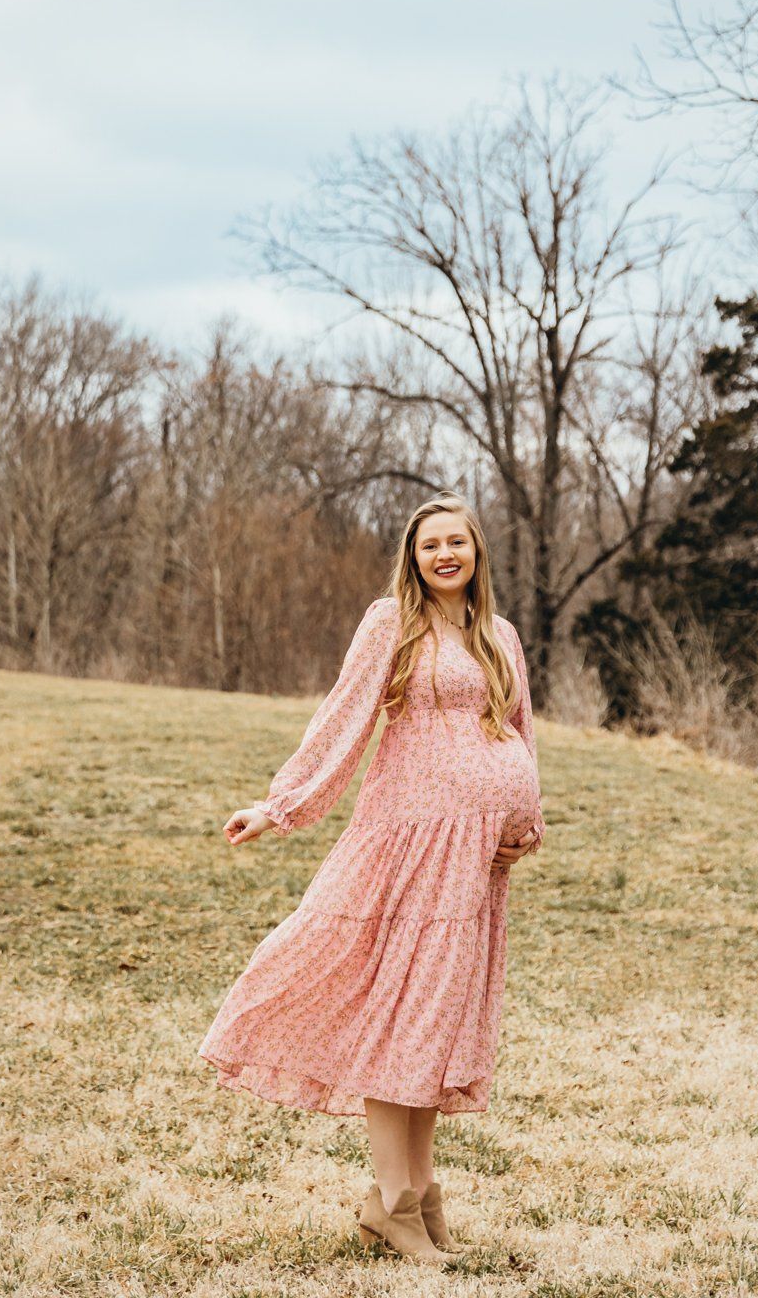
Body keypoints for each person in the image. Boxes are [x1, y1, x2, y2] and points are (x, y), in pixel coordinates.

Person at [197, 493, 545, 1265]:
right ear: (414, 558)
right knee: (403, 1019)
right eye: (430, 546)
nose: (445, 555)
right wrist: (280, 806)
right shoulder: (392, 622)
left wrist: (526, 825)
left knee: (436, 1021)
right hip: (409, 845)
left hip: (478, 860)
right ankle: (393, 1202)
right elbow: (343, 717)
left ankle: (416, 1195)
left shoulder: (500, 635)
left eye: (457, 542)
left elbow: (519, 733)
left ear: (477, 552)